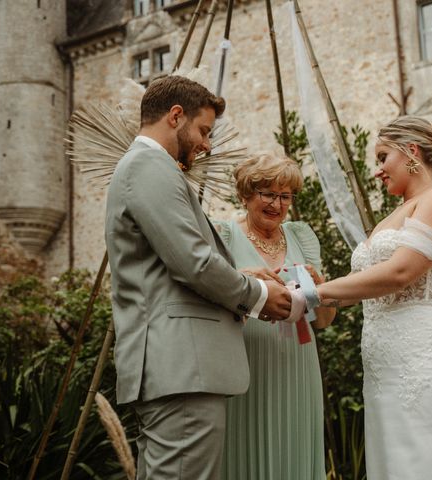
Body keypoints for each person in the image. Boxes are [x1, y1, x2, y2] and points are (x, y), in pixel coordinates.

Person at [104, 76, 294, 480]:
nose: (207, 144)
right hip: (181, 368)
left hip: (175, 367)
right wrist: (259, 295)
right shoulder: (148, 166)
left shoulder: (149, 168)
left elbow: (166, 265)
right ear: (176, 116)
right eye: (204, 130)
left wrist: (237, 274)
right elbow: (193, 263)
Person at [315, 116, 432, 479]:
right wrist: (314, 289)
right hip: (383, 369)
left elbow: (400, 273)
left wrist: (317, 292)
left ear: (411, 151)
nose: (378, 171)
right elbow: (362, 286)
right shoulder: (392, 217)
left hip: (423, 363)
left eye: (383, 157)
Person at [215, 154, 335, 480]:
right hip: (246, 365)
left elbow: (323, 321)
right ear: (245, 195)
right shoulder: (223, 237)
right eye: (267, 194)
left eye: (285, 196)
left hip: (298, 364)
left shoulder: (301, 236)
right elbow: (209, 298)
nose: (277, 204)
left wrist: (320, 288)